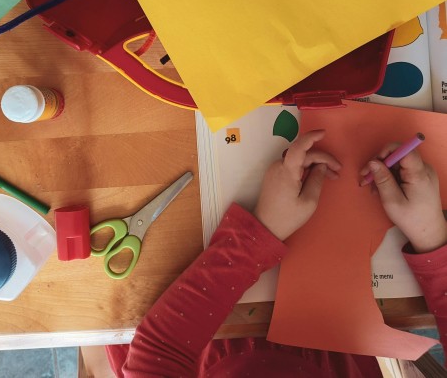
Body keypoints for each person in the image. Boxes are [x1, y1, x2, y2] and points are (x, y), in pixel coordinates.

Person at [96, 130, 447, 377]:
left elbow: (160, 351)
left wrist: (256, 236)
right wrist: (431, 237)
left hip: (204, 338)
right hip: (335, 345)